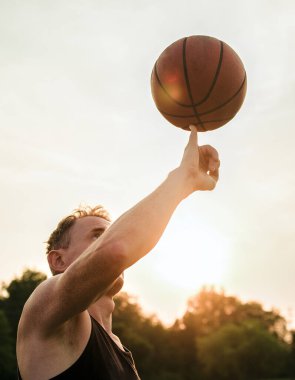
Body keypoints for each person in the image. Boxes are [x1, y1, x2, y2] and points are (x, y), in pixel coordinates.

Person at [16, 126, 220, 379]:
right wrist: (183, 178)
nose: (108, 239)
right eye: (96, 236)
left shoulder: (120, 348)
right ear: (58, 259)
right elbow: (115, 249)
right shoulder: (45, 307)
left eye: (109, 233)